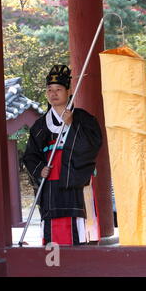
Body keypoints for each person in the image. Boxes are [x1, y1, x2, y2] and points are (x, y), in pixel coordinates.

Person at [23, 65, 102, 246]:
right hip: (51, 178)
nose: (53, 94)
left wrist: (72, 125)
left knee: (78, 221)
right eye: (49, 90)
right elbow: (30, 155)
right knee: (52, 219)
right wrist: (39, 169)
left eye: (58, 89)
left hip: (75, 175)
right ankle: (54, 258)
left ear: (69, 91)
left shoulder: (84, 118)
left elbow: (93, 144)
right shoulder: (40, 125)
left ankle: (80, 254)